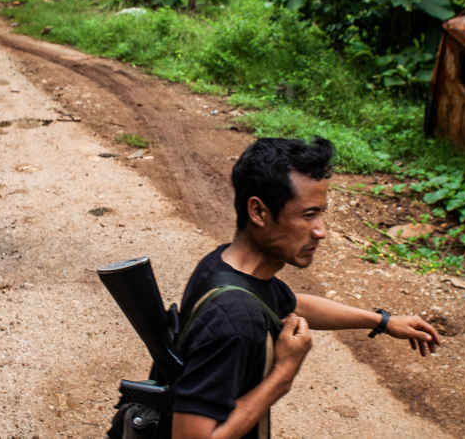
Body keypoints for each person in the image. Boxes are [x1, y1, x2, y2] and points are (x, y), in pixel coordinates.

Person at [171, 137, 441, 439]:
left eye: (321, 213)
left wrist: (383, 321)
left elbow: (293, 304)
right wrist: (284, 374)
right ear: (259, 212)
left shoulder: (224, 267)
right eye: (308, 215)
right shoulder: (233, 320)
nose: (321, 231)